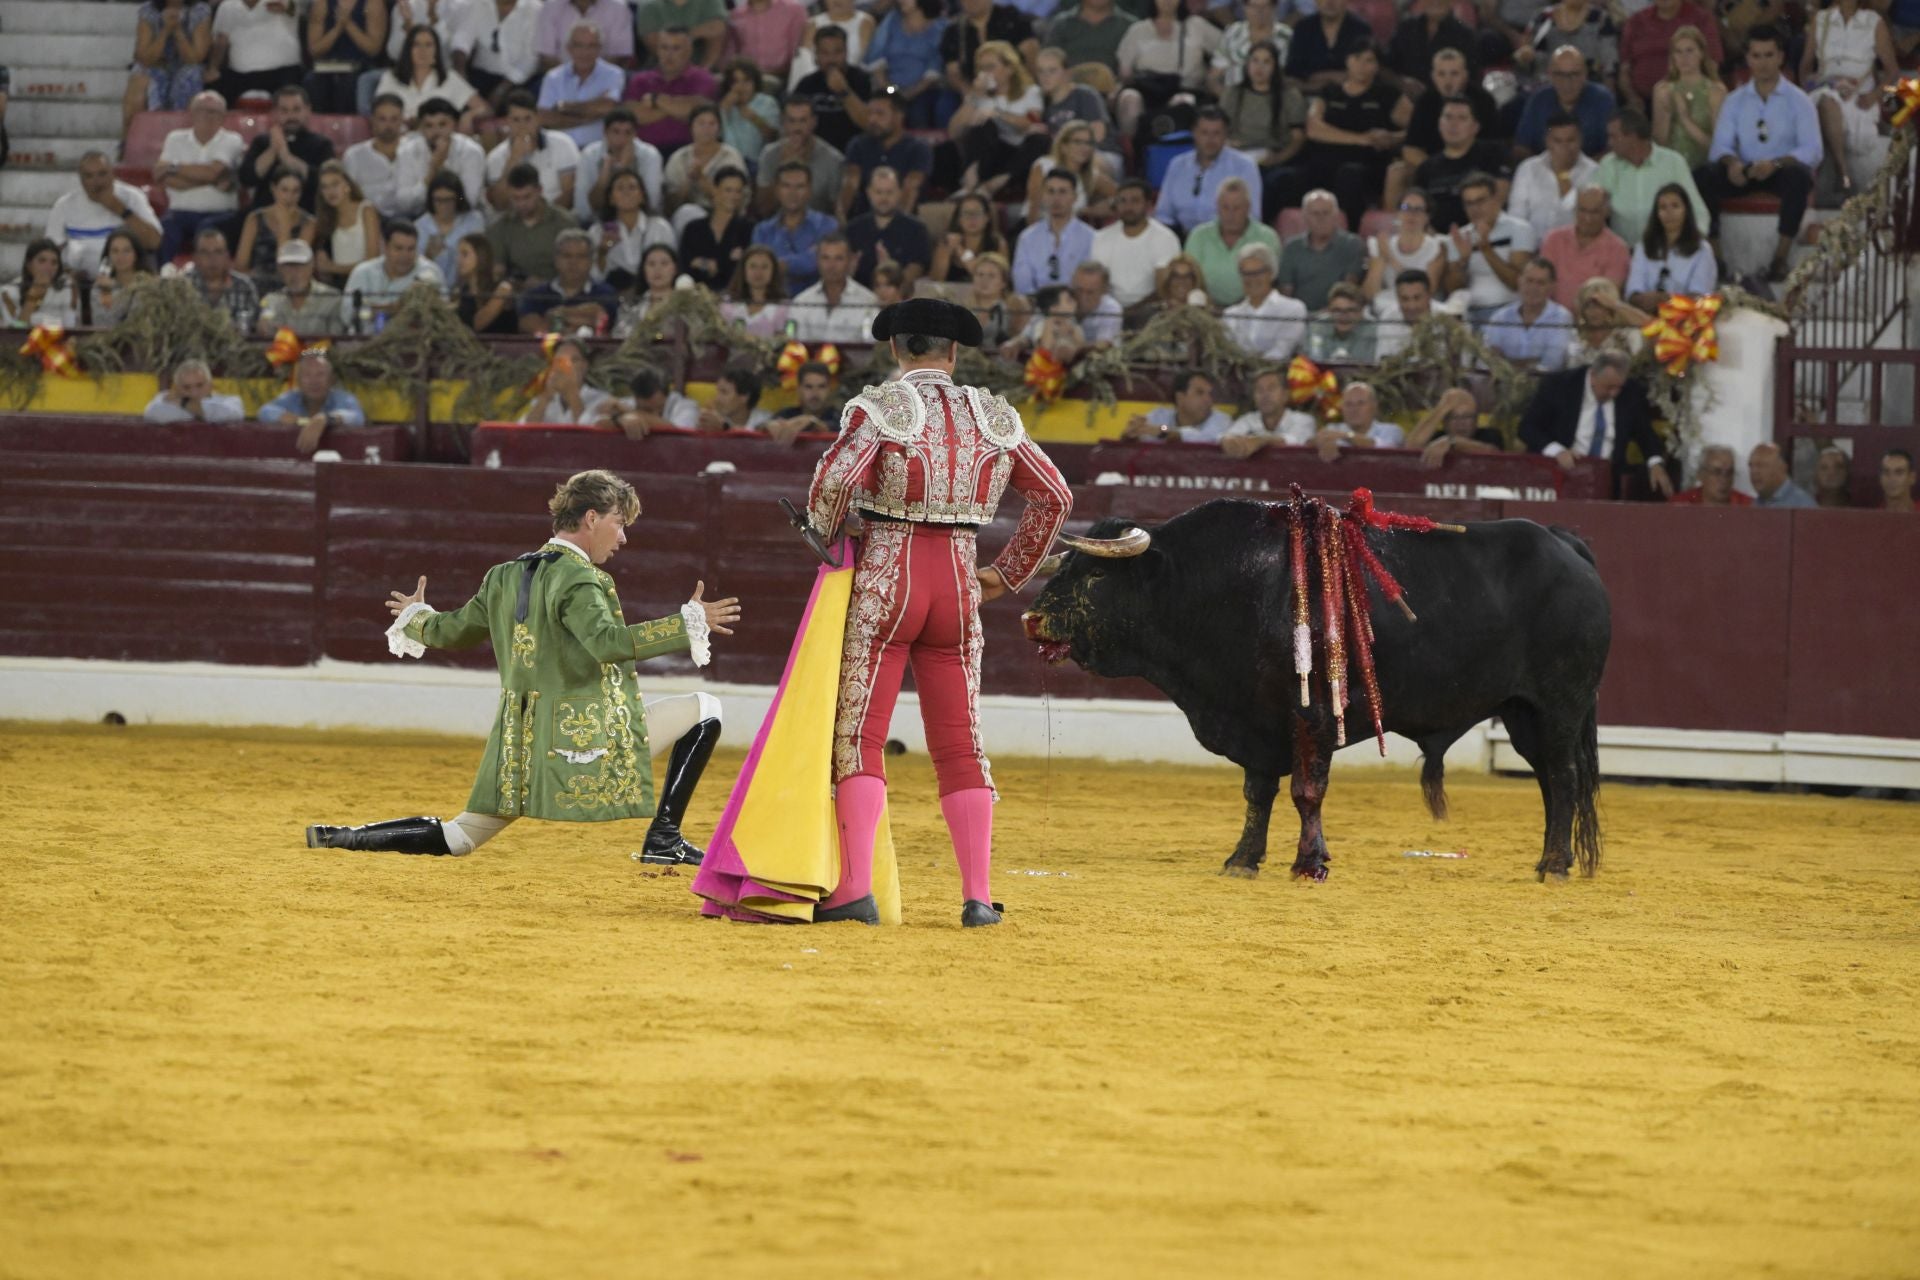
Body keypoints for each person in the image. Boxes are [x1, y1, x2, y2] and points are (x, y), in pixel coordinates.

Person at [774, 297, 1069, 928]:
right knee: (961, 744)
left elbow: (832, 481)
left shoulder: (882, 407)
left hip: (888, 576)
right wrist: (1005, 574)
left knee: (860, 738)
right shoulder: (994, 415)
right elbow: (1055, 497)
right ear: (954, 352)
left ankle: (854, 890)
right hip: (959, 582)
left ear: (895, 349)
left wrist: (826, 540)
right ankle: (978, 898)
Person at [310, 470, 740, 865]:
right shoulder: (578, 577)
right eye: (619, 522)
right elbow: (608, 644)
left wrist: (417, 618)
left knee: (460, 835)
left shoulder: (503, 575)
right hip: (584, 742)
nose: (623, 537)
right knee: (706, 706)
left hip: (519, 746)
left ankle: (346, 836)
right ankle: (665, 838)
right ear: (591, 518)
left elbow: (451, 631)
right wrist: (685, 624)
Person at [1695, 26, 1821, 282]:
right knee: (1703, 175)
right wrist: (1732, 164)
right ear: (1748, 58)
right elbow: (1720, 146)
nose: (1762, 63)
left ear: (1780, 57)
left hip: (1780, 171)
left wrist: (1775, 163)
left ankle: (1780, 259)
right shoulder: (1735, 100)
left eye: (1768, 55)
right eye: (1756, 56)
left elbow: (1813, 149)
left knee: (1798, 176)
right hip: (1745, 170)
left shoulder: (1798, 100)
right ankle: (1716, 257)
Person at [1519, 350, 1675, 499]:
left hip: (1608, 482)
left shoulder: (1631, 392)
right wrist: (1557, 451)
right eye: (1608, 387)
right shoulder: (1559, 386)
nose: (1614, 394)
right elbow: (1527, 427)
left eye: (1618, 387)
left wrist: (1655, 463)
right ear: (1592, 375)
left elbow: (1645, 434)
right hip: (1560, 476)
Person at [1298, 41, 1403, 235]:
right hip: (1326, 160)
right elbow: (1313, 128)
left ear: (1377, 65)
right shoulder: (1330, 92)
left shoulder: (1387, 94)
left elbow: (1414, 130)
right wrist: (1361, 139)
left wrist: (1391, 137)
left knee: (1349, 175)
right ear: (1347, 61)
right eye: (1356, 59)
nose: (1362, 65)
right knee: (1295, 176)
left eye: (1369, 60)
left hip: (1368, 165)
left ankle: (1349, 235)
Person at [1800, 0, 1898, 197]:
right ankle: (1842, 172)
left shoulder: (1873, 22)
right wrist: (1809, 86)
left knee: (1833, 104)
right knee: (1827, 101)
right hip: (1824, 90)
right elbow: (1805, 67)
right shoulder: (1821, 20)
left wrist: (1874, 96)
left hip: (1859, 97)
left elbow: (1892, 72)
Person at [947, 38, 1046, 201]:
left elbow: (1031, 123)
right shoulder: (978, 96)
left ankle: (991, 186)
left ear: (1009, 68)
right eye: (981, 68)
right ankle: (969, 185)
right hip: (989, 155)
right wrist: (974, 97)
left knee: (1040, 140)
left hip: (1018, 154)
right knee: (983, 125)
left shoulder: (1030, 92)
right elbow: (953, 132)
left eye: (991, 67)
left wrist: (997, 113)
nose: (985, 73)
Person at [1593, 108, 1709, 246]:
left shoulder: (1673, 162)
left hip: (1665, 250)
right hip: (1622, 252)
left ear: (1632, 137)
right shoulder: (1608, 164)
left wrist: (1695, 244)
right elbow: (1593, 204)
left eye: (1614, 136)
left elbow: (1696, 208)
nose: (1609, 143)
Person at [154, 91, 244, 265]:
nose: (208, 115)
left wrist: (175, 168)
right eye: (202, 110)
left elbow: (213, 172)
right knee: (164, 227)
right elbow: (162, 177)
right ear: (192, 113)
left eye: (214, 111)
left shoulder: (232, 140)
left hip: (221, 213)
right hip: (179, 213)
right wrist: (212, 178)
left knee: (207, 232)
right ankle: (163, 278)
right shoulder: (175, 138)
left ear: (223, 117)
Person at [1114, 0, 1221, 140]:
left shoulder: (1196, 25)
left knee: (1183, 101)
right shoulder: (1138, 30)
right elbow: (1125, 70)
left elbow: (1225, 48)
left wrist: (1215, 72)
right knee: (1129, 98)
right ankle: (1132, 153)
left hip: (1185, 88)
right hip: (1147, 89)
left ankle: (1174, 149)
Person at [45, 153, 163, 278]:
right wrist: (68, 272)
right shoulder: (64, 205)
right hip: (80, 281)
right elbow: (50, 251)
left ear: (112, 174)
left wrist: (121, 210)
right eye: (89, 176)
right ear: (81, 180)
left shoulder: (133, 197)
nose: (97, 182)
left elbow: (153, 242)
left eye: (102, 174)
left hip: (125, 279)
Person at [1156, 106, 1264, 237]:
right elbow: (1163, 214)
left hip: (1227, 238)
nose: (1210, 140)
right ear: (1194, 133)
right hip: (1182, 239)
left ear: (1226, 135)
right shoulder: (1177, 165)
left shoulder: (1244, 166)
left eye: (1216, 133)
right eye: (1204, 133)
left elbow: (1252, 216)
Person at [1412, 95, 1512, 233]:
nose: (1453, 124)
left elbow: (1499, 196)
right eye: (1448, 117)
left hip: (1484, 235)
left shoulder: (1493, 153)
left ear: (1475, 127)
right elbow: (1419, 210)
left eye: (1462, 118)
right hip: (1439, 242)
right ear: (1439, 124)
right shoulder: (1426, 168)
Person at [1445, 172, 1534, 322]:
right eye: (1469, 203)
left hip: (1510, 310)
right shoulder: (1460, 237)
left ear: (1496, 200)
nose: (1475, 209)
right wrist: (1462, 262)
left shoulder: (1520, 229)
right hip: (1470, 313)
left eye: (1480, 201)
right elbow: (1453, 289)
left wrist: (1486, 249)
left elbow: (1516, 283)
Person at [238, 85, 336, 216]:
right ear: (274, 113)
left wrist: (286, 157)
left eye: (296, 109)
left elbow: (324, 181)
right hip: (264, 217)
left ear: (308, 111)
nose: (291, 116)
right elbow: (247, 178)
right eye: (284, 110)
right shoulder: (261, 142)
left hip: (308, 216)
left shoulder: (322, 144)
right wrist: (273, 150)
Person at [623, 28, 719, 155]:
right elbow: (634, 116)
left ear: (689, 51)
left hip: (689, 152)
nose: (669, 54)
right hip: (645, 152)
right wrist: (676, 107)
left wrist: (655, 100)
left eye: (676, 48)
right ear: (657, 50)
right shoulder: (640, 80)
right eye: (664, 48)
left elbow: (696, 112)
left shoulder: (702, 78)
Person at [1088, 179, 1181, 310]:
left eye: (1135, 201)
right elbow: (1098, 284)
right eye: (1122, 201)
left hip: (1152, 310)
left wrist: (1130, 312)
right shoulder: (1101, 237)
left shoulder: (1165, 238)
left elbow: (1164, 289)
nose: (1128, 207)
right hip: (1110, 311)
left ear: (1148, 205)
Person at [841, 89, 933, 221]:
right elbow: (851, 184)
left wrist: (892, 227)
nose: (872, 119)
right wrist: (840, 220)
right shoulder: (858, 145)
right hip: (863, 221)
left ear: (899, 116)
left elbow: (911, 188)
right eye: (870, 113)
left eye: (880, 114)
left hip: (906, 223)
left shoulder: (918, 148)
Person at [1618, 0, 1722, 114]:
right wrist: (1632, 98)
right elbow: (1624, 70)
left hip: (1690, 100)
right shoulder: (1636, 21)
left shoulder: (1701, 18)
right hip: (1643, 105)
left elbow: (1711, 63)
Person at [1626, 182, 1717, 311]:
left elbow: (1699, 295)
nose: (1669, 212)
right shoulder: (1643, 247)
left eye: (1675, 206)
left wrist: (1668, 300)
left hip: (1687, 320)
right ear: (1657, 214)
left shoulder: (1702, 249)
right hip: (1644, 318)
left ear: (1686, 210)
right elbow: (1633, 293)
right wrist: (1647, 299)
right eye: (1663, 207)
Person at [486, 90, 581, 212]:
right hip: (515, 223)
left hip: (556, 217)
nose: (522, 126)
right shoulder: (496, 157)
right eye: (516, 120)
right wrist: (514, 159)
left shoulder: (562, 143)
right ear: (507, 122)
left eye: (527, 119)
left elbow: (569, 194)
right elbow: (499, 204)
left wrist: (542, 219)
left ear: (537, 118)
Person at [376, 22, 487, 127]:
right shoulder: (390, 78)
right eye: (416, 45)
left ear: (436, 51)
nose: (422, 50)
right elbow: (378, 111)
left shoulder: (449, 78)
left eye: (428, 45)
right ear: (408, 50)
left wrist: (468, 116)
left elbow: (484, 108)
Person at [536, 21, 625, 149]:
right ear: (569, 48)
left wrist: (565, 107)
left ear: (600, 48)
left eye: (592, 46)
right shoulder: (553, 77)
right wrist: (592, 114)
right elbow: (545, 118)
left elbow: (608, 107)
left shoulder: (613, 74)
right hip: (560, 150)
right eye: (579, 46)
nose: (585, 52)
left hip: (599, 149)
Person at [259, 349, 368, 454]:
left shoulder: (342, 398)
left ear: (331, 380)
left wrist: (325, 419)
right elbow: (265, 411)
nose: (314, 381)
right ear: (298, 381)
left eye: (320, 374)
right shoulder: (292, 397)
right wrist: (292, 419)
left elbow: (357, 417)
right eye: (307, 375)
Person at [1515, 46, 1615, 159]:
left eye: (1574, 74)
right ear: (1550, 75)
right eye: (1560, 75)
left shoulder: (1602, 99)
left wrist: (1582, 172)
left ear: (1585, 74)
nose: (1567, 83)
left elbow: (1612, 149)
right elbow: (1521, 147)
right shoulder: (1538, 99)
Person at [752, 162, 839, 292]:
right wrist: (806, 257)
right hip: (773, 303)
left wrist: (777, 264)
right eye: (786, 186)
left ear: (809, 190)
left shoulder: (827, 225)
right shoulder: (762, 231)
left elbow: (820, 263)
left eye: (800, 186)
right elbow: (757, 269)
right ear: (776, 190)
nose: (792, 193)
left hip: (817, 303)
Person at [1538, 186, 1629, 310]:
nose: (1588, 218)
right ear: (1575, 210)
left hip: (1592, 323)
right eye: (1582, 210)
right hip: (1553, 320)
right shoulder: (1553, 239)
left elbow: (1608, 298)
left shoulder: (1618, 248)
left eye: (1595, 212)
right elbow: (1541, 283)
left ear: (1606, 212)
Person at [1221, 40, 1306, 173]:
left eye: (1266, 62)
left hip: (1273, 158)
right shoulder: (1232, 94)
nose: (1259, 67)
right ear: (1247, 64)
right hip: (1237, 155)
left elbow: (1297, 137)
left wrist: (1278, 159)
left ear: (1275, 67)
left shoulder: (1290, 96)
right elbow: (1220, 130)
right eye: (1255, 60)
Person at [1033, 47, 1120, 176]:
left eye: (1052, 71)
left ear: (1067, 73)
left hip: (1100, 154)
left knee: (1077, 162)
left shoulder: (1085, 94)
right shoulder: (1042, 103)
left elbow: (1098, 134)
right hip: (1062, 158)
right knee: (1040, 167)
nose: (1045, 77)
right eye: (1041, 71)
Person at [1277, 189, 1367, 313]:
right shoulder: (1291, 247)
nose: (1321, 218)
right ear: (1305, 217)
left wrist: (1324, 316)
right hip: (1298, 316)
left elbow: (1348, 291)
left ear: (1336, 215)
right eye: (1315, 213)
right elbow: (1286, 293)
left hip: (1337, 316)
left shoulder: (1352, 245)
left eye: (1326, 213)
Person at [1509, 113, 1597, 241]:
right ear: (1547, 141)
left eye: (1570, 140)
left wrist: (1562, 172)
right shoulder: (1528, 168)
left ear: (1580, 140)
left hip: (1575, 250)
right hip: (1533, 249)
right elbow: (1517, 217)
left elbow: (1587, 219)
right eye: (1558, 141)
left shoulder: (1594, 172)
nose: (1564, 147)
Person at [1652, 25, 1726, 175]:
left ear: (1701, 53)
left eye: (1689, 51)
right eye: (1678, 52)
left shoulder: (1716, 91)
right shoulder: (1662, 90)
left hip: (1705, 170)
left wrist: (1685, 119)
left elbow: (1718, 148)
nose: (1683, 58)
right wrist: (1667, 115)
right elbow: (1659, 144)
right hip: (1670, 169)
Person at [129, 0, 214, 130]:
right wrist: (165, 30)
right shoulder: (148, 10)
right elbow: (144, 57)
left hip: (185, 66)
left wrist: (178, 31)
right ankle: (133, 138)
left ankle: (182, 130)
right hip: (157, 66)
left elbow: (195, 57)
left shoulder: (200, 11)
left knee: (191, 73)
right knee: (141, 74)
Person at [662, 106, 747, 234]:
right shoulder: (679, 158)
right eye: (701, 123)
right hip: (685, 215)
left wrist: (702, 180)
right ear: (691, 127)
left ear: (719, 128)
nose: (707, 129)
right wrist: (689, 181)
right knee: (687, 213)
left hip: (722, 214)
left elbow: (737, 200)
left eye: (712, 123)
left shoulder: (731, 156)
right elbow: (670, 205)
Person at [791, 24, 874, 156]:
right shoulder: (806, 84)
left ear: (846, 52)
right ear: (816, 55)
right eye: (825, 53)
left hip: (854, 153)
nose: (831, 59)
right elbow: (792, 124)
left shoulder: (862, 80)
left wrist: (844, 91)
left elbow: (869, 124)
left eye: (837, 52)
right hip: (814, 154)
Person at [845, 167, 932, 291]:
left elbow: (914, 274)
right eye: (878, 192)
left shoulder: (916, 230)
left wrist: (891, 273)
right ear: (868, 192)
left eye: (889, 192)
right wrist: (847, 272)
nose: (884, 198)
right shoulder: (852, 229)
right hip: (858, 300)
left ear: (900, 192)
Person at [344, 95, 429, 222]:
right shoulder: (354, 155)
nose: (388, 125)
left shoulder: (417, 149)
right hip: (369, 221)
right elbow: (349, 197)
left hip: (416, 219)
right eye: (382, 119)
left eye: (394, 119)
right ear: (372, 120)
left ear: (402, 120)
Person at [754, 98, 843, 218]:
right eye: (791, 121)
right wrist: (782, 166)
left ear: (814, 122)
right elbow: (764, 209)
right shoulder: (769, 155)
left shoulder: (833, 159)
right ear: (783, 123)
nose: (797, 128)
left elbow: (837, 211)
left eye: (803, 121)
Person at [487, 162, 575, 283]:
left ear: (539, 190)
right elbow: (497, 269)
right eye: (516, 198)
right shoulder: (500, 226)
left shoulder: (564, 223)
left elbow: (575, 269)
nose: (521, 204)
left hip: (557, 291)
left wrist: (545, 284)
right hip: (514, 292)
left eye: (527, 197)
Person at [343, 220, 443, 325]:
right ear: (385, 247)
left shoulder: (431, 273)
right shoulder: (363, 272)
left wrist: (375, 310)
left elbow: (439, 315)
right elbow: (347, 313)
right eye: (398, 248)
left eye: (411, 249)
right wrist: (394, 310)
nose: (405, 256)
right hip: (364, 339)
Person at [864, 0, 947, 128]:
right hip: (888, 88)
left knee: (918, 112)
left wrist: (908, 94)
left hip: (922, 90)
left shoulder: (939, 27)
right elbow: (877, 52)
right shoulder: (892, 19)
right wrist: (888, 89)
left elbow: (935, 66)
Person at [575, 107, 664, 225]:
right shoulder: (589, 154)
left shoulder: (650, 155)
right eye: (616, 132)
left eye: (628, 133)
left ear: (635, 134)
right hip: (598, 220)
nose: (622, 139)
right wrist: (604, 176)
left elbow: (652, 203)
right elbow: (583, 209)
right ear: (605, 132)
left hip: (642, 220)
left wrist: (623, 168)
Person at [517, 229, 616, 334]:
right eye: (567, 256)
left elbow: (600, 320)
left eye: (581, 256)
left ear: (591, 261)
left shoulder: (605, 293)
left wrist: (556, 315)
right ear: (556, 259)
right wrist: (580, 318)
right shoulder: (535, 295)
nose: (573, 262)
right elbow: (531, 326)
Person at [1012, 169, 1095, 295]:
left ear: (1075, 197)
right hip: (1036, 307)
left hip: (1076, 306)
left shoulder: (1091, 237)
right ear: (1043, 196)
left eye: (1062, 192)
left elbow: (1089, 282)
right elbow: (1022, 284)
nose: (1056, 198)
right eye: (1050, 191)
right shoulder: (1027, 237)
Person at [1221, 242, 1309, 360]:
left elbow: (1282, 351)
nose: (1252, 279)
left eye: (1258, 273)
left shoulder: (1293, 309)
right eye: (1246, 274)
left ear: (1271, 273)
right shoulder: (1230, 314)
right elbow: (1228, 353)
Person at [1517, 0, 1618, 99]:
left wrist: (1609, 100)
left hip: (1587, 89)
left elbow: (1609, 67)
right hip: (1545, 88)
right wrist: (1525, 58)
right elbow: (1525, 60)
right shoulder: (1543, 17)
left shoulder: (1601, 19)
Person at [1484, 259, 1573, 371]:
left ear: (1552, 287)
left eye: (1541, 283)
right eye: (1529, 281)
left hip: (1544, 386)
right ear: (1519, 281)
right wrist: (1532, 361)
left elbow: (1552, 364)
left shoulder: (1561, 317)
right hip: (1502, 385)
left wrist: (1505, 362)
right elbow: (1487, 359)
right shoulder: (1500, 317)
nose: (1533, 288)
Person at [1360, 186, 1446, 302]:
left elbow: (1424, 293)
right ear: (1397, 213)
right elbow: (1369, 294)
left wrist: (1390, 259)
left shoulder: (1437, 248)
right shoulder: (1382, 245)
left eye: (1418, 209)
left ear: (1427, 217)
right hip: (1388, 307)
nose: (1411, 214)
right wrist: (1381, 258)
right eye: (1406, 207)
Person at [208, 0, 304, 102]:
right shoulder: (227, 6)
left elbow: (296, 9)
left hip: (284, 73)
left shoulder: (284, 2)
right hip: (238, 75)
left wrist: (287, 7)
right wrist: (213, 68)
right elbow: (221, 41)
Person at [791, 234, 880, 344]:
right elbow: (793, 343)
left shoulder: (868, 301)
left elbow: (871, 345)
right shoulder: (801, 301)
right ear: (817, 260)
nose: (831, 265)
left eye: (839, 258)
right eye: (825, 258)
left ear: (850, 260)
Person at [303, 0, 387, 116]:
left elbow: (373, 49)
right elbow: (314, 50)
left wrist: (348, 24)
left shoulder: (373, 4)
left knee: (349, 83)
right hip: (327, 65)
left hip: (360, 65)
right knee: (312, 81)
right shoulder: (322, 4)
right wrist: (337, 28)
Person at [1023, 122, 1114, 227]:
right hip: (1036, 228)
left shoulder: (1092, 176)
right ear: (1063, 146)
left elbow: (1122, 197)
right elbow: (1033, 210)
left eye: (1088, 143)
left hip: (1071, 233)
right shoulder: (1044, 166)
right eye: (1077, 142)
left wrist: (1090, 211)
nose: (1084, 148)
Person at [453, 0, 543, 107]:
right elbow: (462, 38)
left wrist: (502, 89)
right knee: (457, 94)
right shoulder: (477, 4)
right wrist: (460, 72)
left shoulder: (535, 9)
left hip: (518, 81)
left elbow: (531, 59)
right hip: (481, 75)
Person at [676, 165, 751, 292]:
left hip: (735, 298)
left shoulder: (748, 229)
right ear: (715, 191)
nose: (734, 196)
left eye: (738, 191)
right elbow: (686, 268)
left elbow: (743, 271)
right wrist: (725, 262)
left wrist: (705, 263)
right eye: (728, 190)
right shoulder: (693, 229)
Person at [313, 160, 384, 288]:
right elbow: (324, 267)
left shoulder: (366, 210)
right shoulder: (326, 219)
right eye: (325, 187)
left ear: (347, 185)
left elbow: (372, 259)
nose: (330, 191)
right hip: (340, 285)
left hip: (368, 282)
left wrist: (333, 268)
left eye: (335, 184)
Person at [182, 225, 261, 334]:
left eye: (218, 252)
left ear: (227, 256)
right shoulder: (183, 286)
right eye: (205, 252)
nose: (212, 259)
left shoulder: (244, 286)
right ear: (196, 258)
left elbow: (254, 327)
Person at [1220, 367, 1314, 458]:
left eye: (1271, 388)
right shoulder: (1248, 419)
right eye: (1259, 390)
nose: (1265, 395)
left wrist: (1261, 441)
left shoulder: (1303, 420)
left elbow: (1295, 441)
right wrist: (1228, 440)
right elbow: (1228, 436)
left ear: (1285, 395)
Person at [257, 239, 345, 336]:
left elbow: (336, 342)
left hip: (319, 351)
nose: (294, 273)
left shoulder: (331, 298)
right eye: (289, 266)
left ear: (312, 266)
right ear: (280, 269)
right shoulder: (271, 301)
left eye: (300, 266)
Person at [1121, 368, 1234, 443]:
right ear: (1180, 397)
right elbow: (1158, 429)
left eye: (1209, 394)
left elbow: (1202, 437)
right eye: (1200, 393)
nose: (1208, 399)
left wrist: (1163, 431)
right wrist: (1131, 433)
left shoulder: (1221, 420)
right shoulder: (1160, 415)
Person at [1405, 385, 1506, 468]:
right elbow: (1410, 448)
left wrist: (1452, 442)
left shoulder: (1490, 435)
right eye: (1453, 417)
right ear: (1444, 422)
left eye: (1467, 417)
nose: (1461, 423)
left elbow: (1492, 454)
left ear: (1476, 421)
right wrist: (1443, 408)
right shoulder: (1437, 439)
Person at [520, 337, 615, 423]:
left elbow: (589, 435)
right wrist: (545, 397)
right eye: (560, 361)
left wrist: (572, 394)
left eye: (574, 360)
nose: (567, 367)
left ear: (585, 365)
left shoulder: (601, 399)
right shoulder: (541, 400)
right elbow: (525, 432)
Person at [1284, 0, 1372, 93]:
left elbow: (1368, 67)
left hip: (1351, 95)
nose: (1330, 2)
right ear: (1316, 1)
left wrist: (1326, 77)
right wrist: (1325, 78)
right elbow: (1293, 69)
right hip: (1308, 94)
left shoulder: (1361, 29)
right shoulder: (1303, 28)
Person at [1305, 382, 1405, 461]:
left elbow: (1384, 449)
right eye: (1348, 404)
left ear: (1374, 406)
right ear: (1342, 408)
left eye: (1360, 403)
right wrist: (1319, 442)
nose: (1354, 409)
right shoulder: (1332, 429)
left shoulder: (1391, 430)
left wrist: (1346, 437)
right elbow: (1307, 444)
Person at [1389, 0, 1475, 91]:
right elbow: (1388, 66)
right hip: (1407, 98)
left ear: (1451, 2)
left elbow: (1472, 75)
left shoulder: (1465, 35)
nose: (1435, 1)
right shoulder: (1406, 28)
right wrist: (1402, 83)